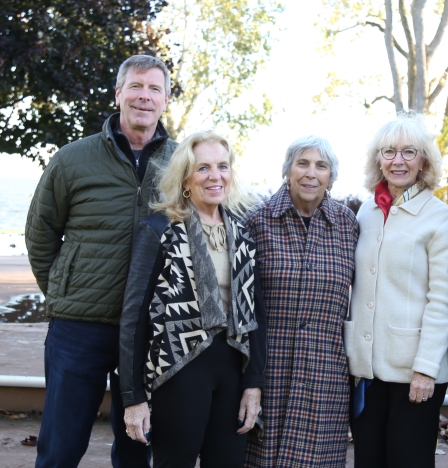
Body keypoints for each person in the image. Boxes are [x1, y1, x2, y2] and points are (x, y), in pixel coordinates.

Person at [25, 54, 176, 467]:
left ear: (166, 100)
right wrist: (63, 291)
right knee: (60, 445)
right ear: (118, 94)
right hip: (79, 327)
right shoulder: (73, 159)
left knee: (136, 449)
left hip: (150, 329)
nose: (144, 96)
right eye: (136, 86)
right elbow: (40, 234)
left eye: (154, 89)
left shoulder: (182, 164)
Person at [118, 129, 266, 467]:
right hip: (178, 371)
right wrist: (133, 397)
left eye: (222, 166)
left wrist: (253, 385)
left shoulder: (242, 233)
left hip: (232, 372)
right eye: (203, 168)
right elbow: (133, 316)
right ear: (186, 178)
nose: (215, 176)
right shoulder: (159, 230)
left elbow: (256, 312)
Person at [345, 111, 448, 468]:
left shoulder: (439, 217)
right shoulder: (365, 212)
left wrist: (425, 368)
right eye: (389, 151)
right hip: (367, 371)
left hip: (414, 373)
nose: (398, 161)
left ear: (423, 160)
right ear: (377, 159)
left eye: (409, 152)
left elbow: (442, 298)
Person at [242, 135, 358, 467]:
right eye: (302, 163)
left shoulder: (347, 225)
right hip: (267, 371)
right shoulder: (257, 221)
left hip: (326, 375)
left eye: (321, 166)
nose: (311, 173)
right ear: (287, 171)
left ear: (331, 178)